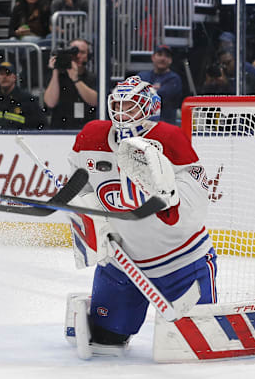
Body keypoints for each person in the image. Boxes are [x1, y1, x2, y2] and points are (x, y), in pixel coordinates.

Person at [65, 75, 216, 357]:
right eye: (118, 106)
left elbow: (196, 203)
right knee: (103, 344)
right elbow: (78, 184)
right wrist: (90, 219)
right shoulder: (92, 136)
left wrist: (166, 202)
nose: (122, 114)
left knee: (193, 349)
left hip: (182, 261)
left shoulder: (169, 139)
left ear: (149, 108)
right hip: (122, 263)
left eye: (131, 107)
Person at [43, 38, 98, 129]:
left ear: (89, 56)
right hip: (60, 128)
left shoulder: (93, 78)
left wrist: (76, 79)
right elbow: (50, 103)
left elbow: (95, 101)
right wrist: (56, 70)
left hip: (87, 127)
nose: (77, 56)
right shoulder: (56, 77)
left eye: (82, 52)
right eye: (74, 52)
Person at [0, 61, 44, 130]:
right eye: (1, 74)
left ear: (14, 77)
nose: (4, 77)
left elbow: (40, 125)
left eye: (8, 73)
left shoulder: (27, 100)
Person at [137, 44, 183, 125]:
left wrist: (146, 90)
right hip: (143, 126)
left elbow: (157, 98)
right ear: (153, 57)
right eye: (160, 54)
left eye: (167, 56)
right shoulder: (142, 76)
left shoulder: (174, 79)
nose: (163, 58)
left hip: (166, 126)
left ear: (170, 60)